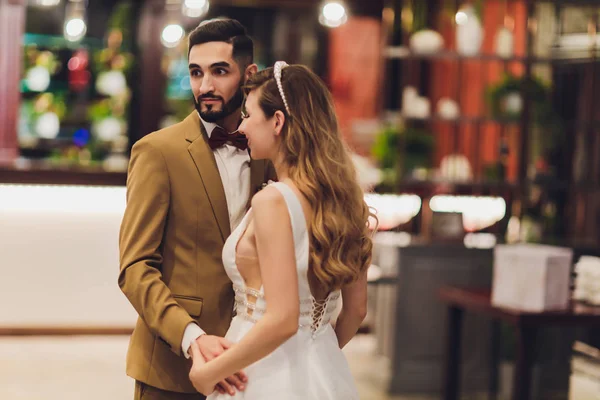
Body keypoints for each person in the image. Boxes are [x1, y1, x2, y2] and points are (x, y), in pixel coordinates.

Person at [188, 62, 375, 399]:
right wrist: (318, 355)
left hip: (260, 374)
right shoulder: (346, 199)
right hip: (322, 370)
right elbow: (356, 310)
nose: (242, 127)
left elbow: (284, 318)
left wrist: (209, 374)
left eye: (248, 115)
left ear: (277, 121)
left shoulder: (273, 201)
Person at [118, 18, 275, 400]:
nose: (205, 86)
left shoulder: (270, 152)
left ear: (249, 74)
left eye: (220, 71)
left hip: (255, 361)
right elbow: (135, 268)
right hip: (173, 369)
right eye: (195, 72)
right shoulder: (157, 152)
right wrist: (192, 338)